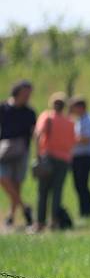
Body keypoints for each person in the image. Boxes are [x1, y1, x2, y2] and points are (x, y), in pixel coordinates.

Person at [32, 92, 76, 232]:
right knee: (57, 191)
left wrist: (37, 155)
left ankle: (40, 223)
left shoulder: (47, 117)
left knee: (43, 191)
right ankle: (54, 222)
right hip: (64, 160)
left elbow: (38, 135)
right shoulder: (70, 122)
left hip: (48, 157)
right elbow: (72, 142)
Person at [0, 80, 36, 228]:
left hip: (22, 150)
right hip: (4, 150)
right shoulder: (3, 108)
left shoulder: (29, 112)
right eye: (25, 93)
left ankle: (11, 216)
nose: (28, 96)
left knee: (17, 183)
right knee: (3, 178)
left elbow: (34, 132)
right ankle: (24, 206)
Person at [69, 96, 90, 218]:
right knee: (77, 184)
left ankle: (88, 211)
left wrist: (71, 139)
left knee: (83, 184)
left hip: (85, 156)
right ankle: (83, 210)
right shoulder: (78, 120)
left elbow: (87, 138)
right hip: (76, 156)